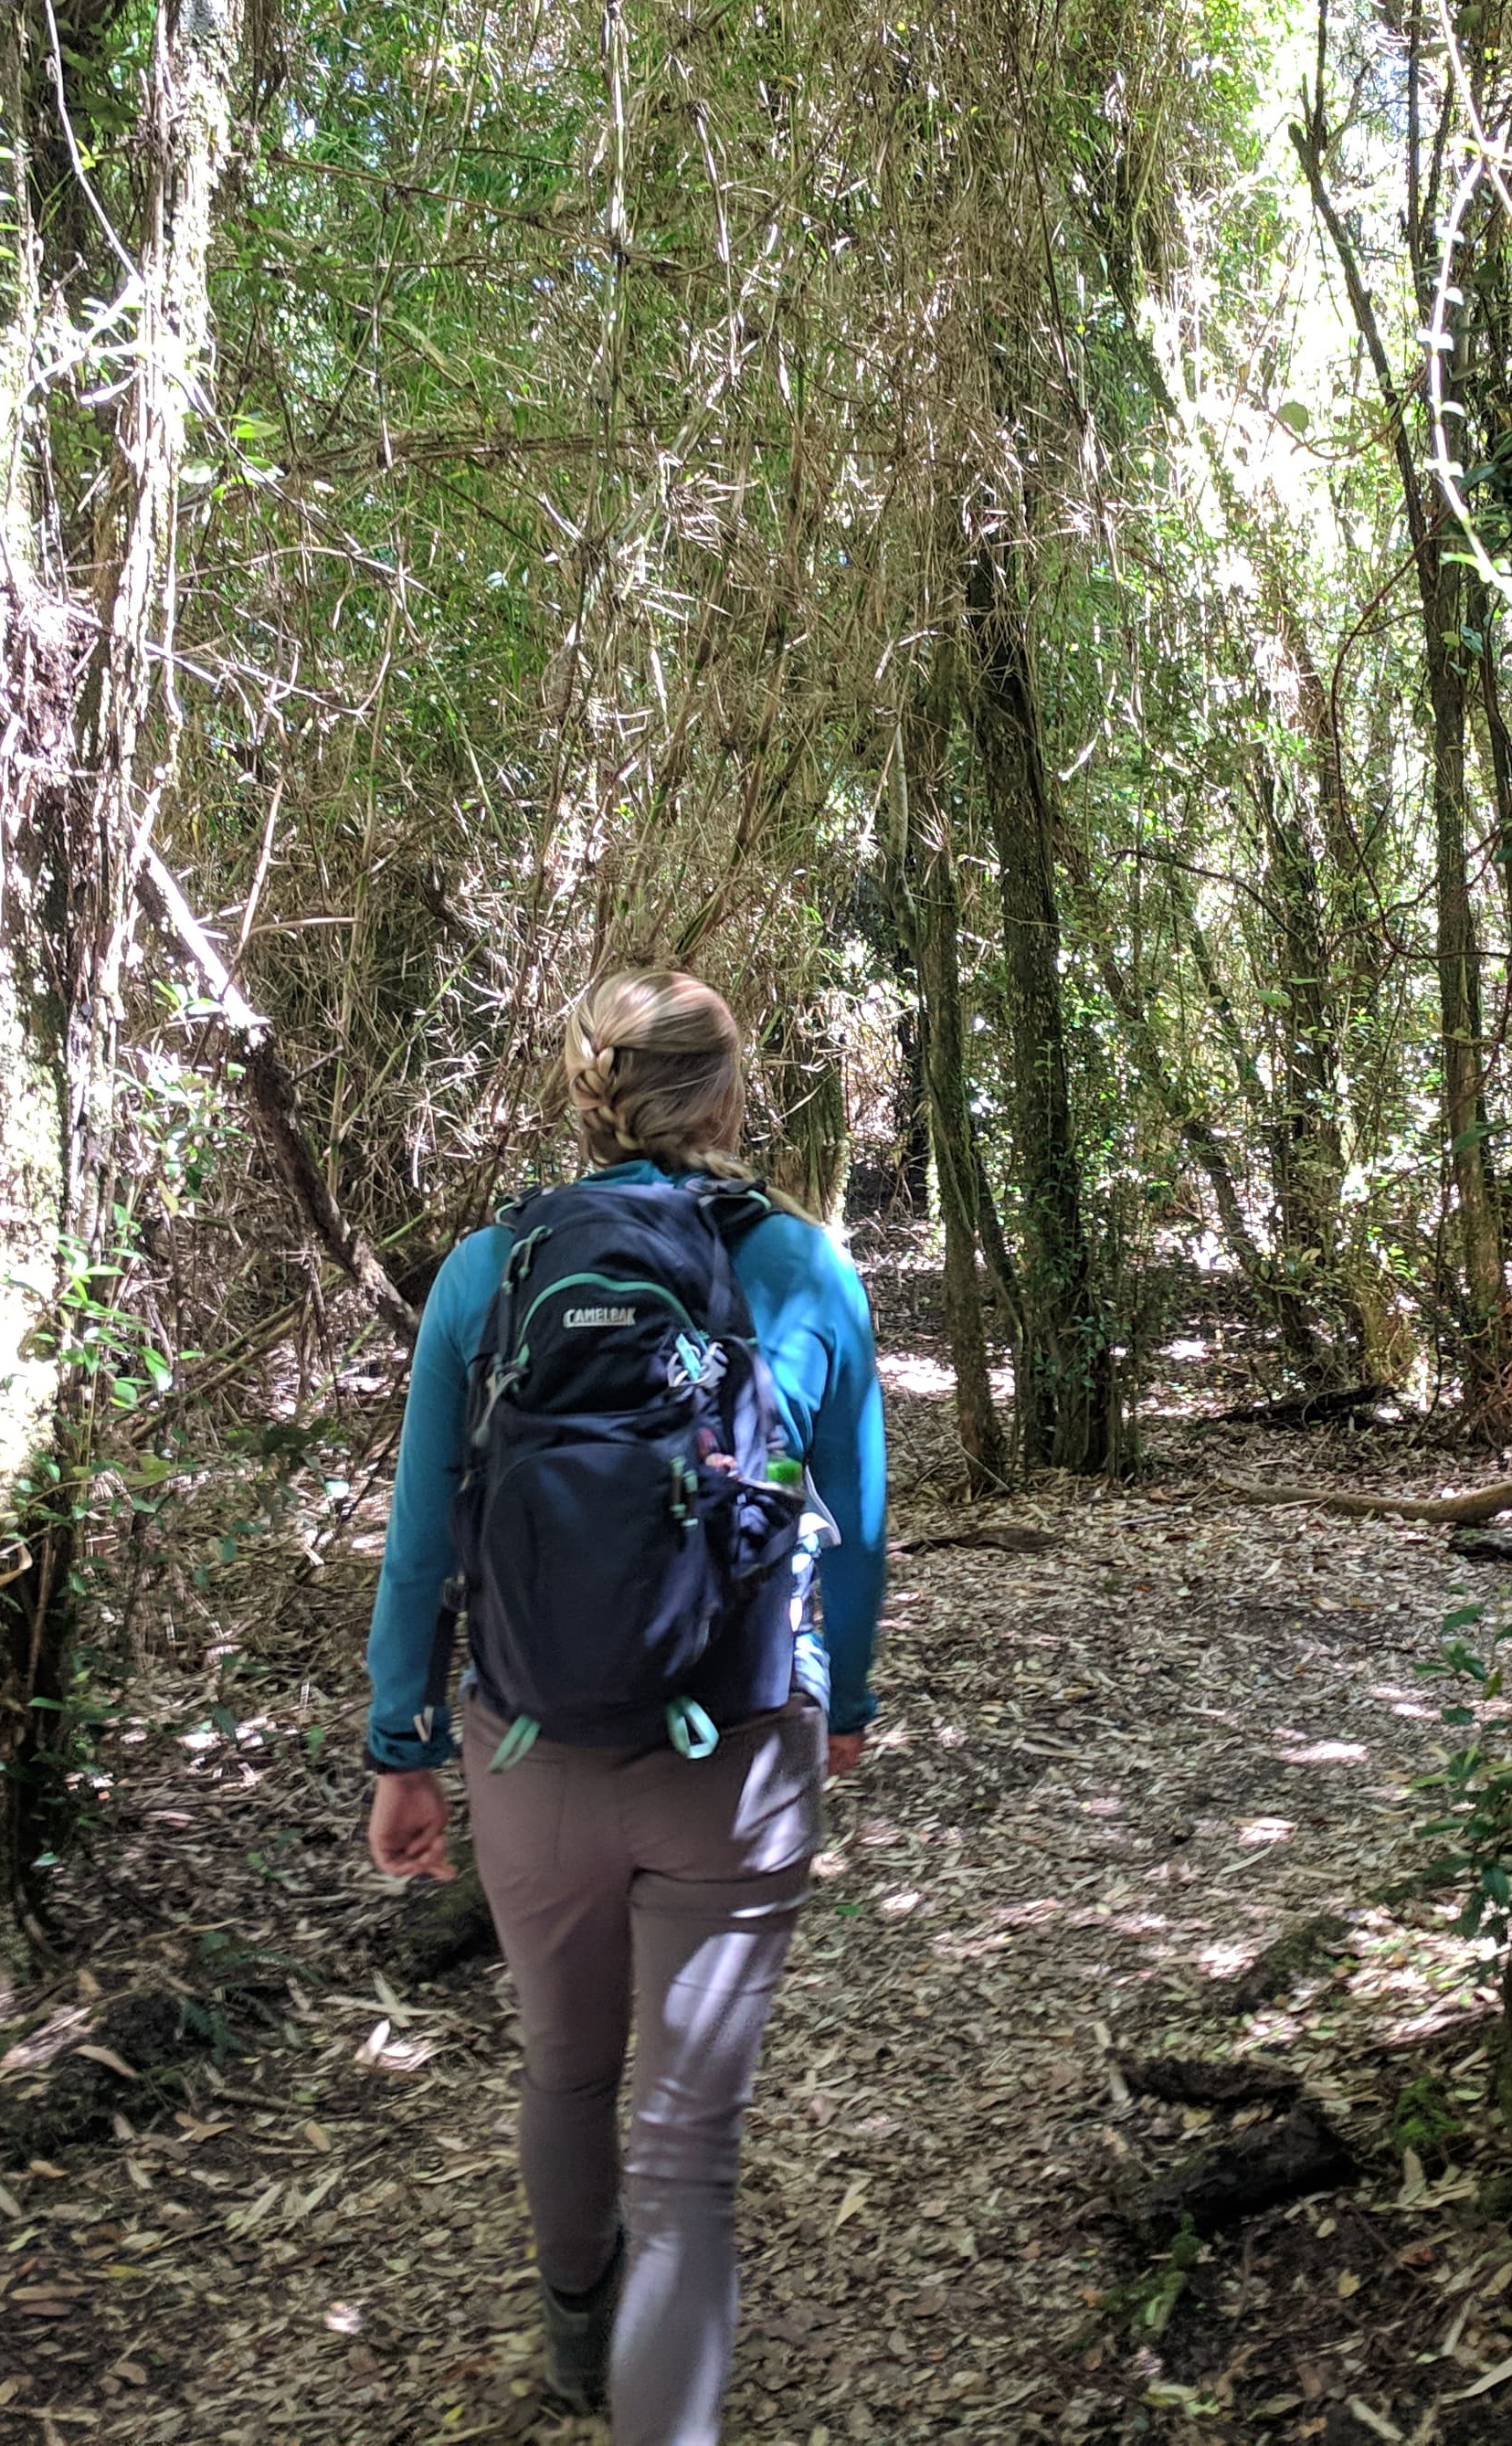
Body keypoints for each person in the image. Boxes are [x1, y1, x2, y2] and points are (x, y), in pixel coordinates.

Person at [363, 970, 884, 2444]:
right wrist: (843, 1704)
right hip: (736, 1752)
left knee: (566, 2066)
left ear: (585, 1093)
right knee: (687, 2157)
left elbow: (423, 1537)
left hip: (529, 1746)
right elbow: (856, 1530)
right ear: (729, 1096)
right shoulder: (806, 1268)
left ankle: (576, 2338)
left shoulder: (490, 1270)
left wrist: (403, 1746)